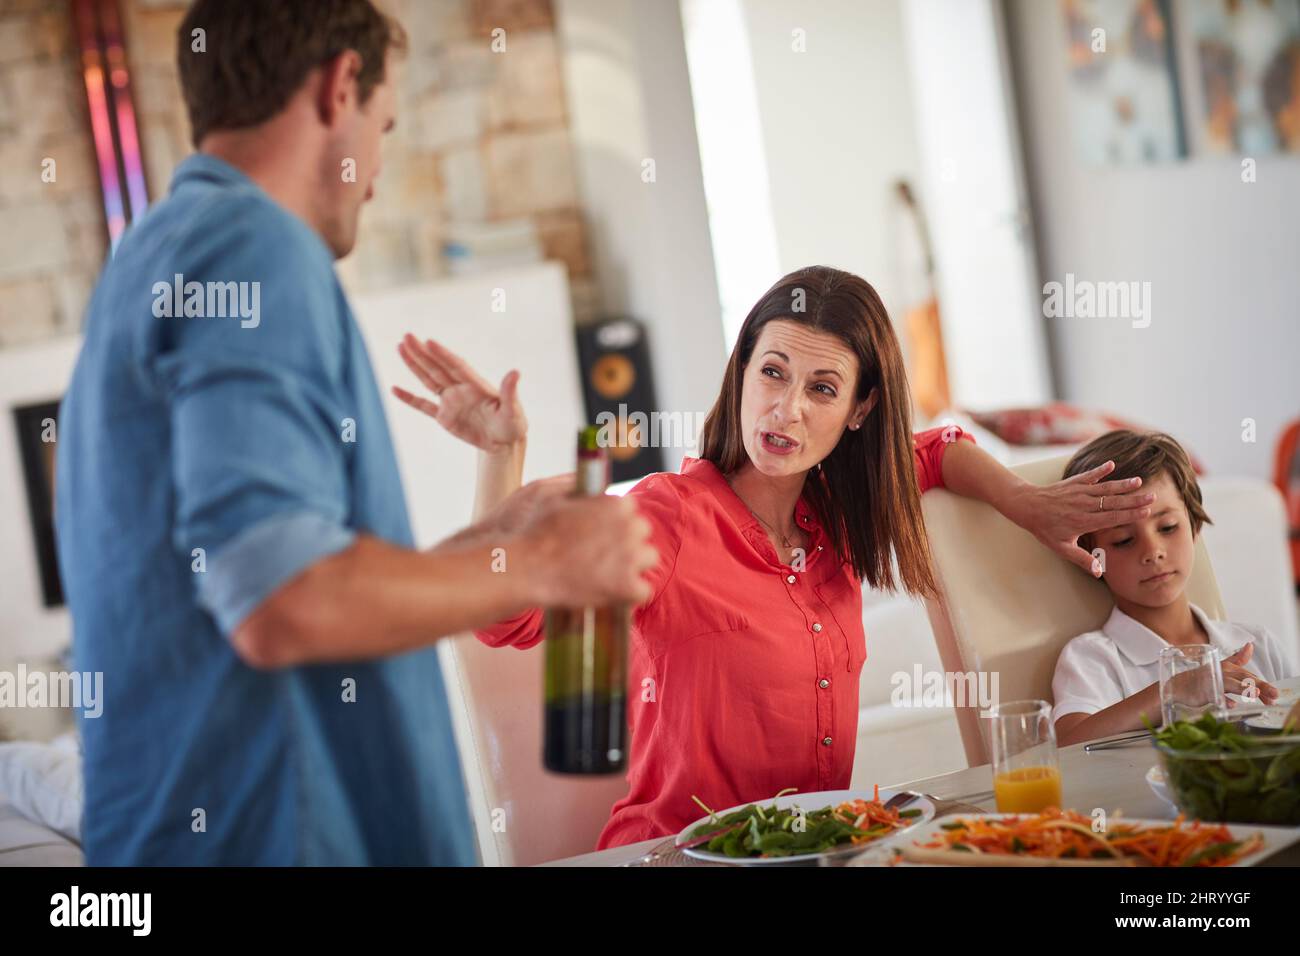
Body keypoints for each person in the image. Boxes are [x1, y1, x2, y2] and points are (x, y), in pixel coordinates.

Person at [54, 0, 654, 865]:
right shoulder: (254, 245)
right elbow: (279, 600)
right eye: (384, 123)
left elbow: (259, 577)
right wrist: (549, 564)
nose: (376, 170)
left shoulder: (147, 260)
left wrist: (489, 542)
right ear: (340, 85)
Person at [394, 266, 1157, 847]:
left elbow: (937, 448)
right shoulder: (670, 517)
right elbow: (507, 621)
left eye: (823, 389)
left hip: (806, 853)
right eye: (773, 372)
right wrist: (504, 462)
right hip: (673, 856)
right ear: (743, 372)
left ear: (860, 410)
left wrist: (1025, 503)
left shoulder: (838, 517)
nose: (786, 408)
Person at [1052, 430, 1292, 746]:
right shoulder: (1093, 658)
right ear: (1090, 554)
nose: (1153, 551)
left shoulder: (1255, 643)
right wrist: (1175, 688)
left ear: (1193, 525)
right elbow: (1069, 745)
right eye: (1124, 540)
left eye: (1167, 528)